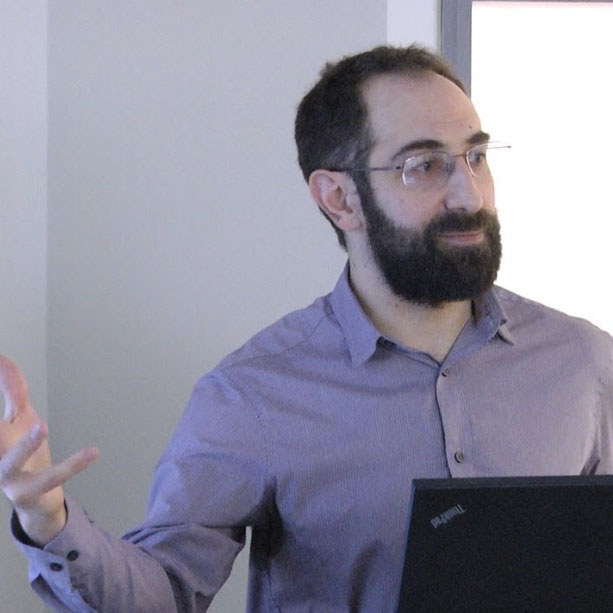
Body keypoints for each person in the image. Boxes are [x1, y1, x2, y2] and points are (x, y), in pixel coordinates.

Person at [1, 44, 612, 612]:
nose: (468, 194)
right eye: (423, 166)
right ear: (338, 200)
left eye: (475, 157)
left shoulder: (584, 362)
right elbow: (165, 591)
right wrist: (48, 520)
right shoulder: (254, 393)